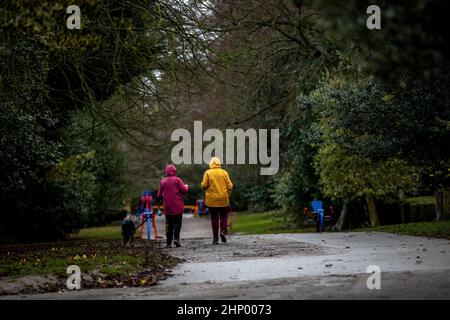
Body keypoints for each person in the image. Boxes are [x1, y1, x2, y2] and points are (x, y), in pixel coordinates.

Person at [201, 157, 233, 244]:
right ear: (219, 163)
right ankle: (222, 231)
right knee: (224, 216)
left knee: (214, 218)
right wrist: (228, 194)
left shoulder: (208, 173)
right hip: (223, 198)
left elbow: (204, 185)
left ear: (210, 163)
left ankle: (215, 239)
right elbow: (230, 186)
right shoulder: (224, 172)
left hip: (212, 200)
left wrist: (204, 186)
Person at [157, 164, 189, 248]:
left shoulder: (162, 181)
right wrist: (186, 186)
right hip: (177, 206)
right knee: (177, 223)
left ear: (166, 171)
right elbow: (184, 190)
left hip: (167, 207)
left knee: (168, 224)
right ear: (174, 171)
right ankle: (176, 239)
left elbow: (159, 195)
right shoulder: (177, 180)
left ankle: (168, 242)